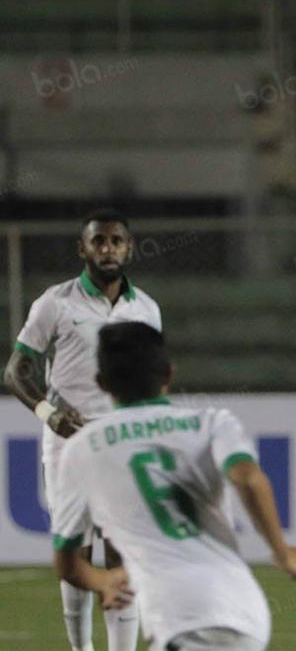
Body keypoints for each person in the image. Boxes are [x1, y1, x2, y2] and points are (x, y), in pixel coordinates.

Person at [51, 322, 296, 651]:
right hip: (244, 607)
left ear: (101, 383)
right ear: (169, 375)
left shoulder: (82, 449)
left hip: (183, 617)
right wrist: (281, 551)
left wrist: (102, 581)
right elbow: (247, 478)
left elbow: (67, 563)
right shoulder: (212, 422)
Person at [4, 209, 161, 651]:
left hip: (122, 444)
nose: (107, 249)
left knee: (120, 550)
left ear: (129, 248)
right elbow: (16, 370)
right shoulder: (55, 303)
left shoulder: (146, 309)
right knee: (75, 553)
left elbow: (150, 376)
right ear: (83, 248)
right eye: (99, 241)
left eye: (116, 241)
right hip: (67, 443)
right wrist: (47, 413)